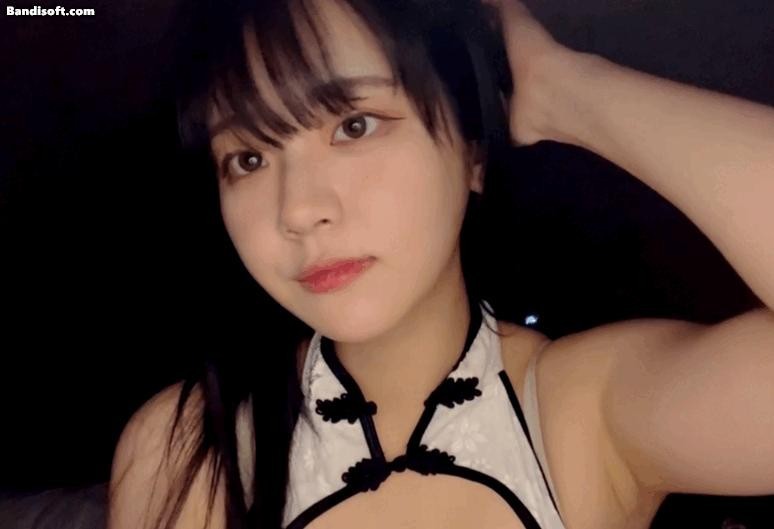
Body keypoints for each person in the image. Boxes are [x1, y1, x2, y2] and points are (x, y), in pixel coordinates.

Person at [106, 0, 774, 528]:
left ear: (472, 154)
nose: (299, 209)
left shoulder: (583, 414)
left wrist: (562, 87)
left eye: (354, 125)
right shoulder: (186, 449)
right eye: (248, 158)